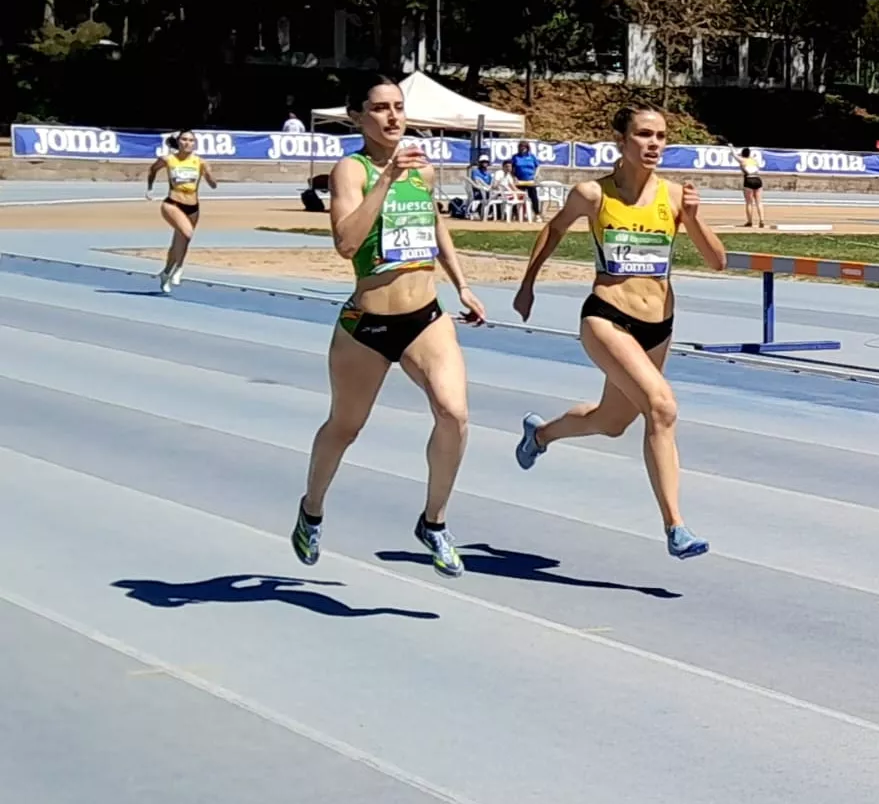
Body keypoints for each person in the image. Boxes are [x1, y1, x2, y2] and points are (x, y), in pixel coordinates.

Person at [511, 105, 728, 561]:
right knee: (662, 407)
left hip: (659, 326)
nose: (654, 144)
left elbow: (717, 261)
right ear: (621, 141)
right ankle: (676, 527)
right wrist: (527, 285)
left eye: (662, 136)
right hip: (607, 317)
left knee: (612, 424)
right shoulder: (593, 194)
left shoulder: (673, 197)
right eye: (644, 135)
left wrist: (694, 216)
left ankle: (541, 435)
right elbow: (552, 230)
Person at [292, 74, 486, 577]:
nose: (393, 117)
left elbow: (434, 223)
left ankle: (434, 522)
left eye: (399, 106)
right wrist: (384, 180)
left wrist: (462, 283)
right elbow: (346, 243)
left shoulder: (419, 170)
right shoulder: (350, 171)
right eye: (380, 108)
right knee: (346, 427)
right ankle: (311, 509)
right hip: (368, 325)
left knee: (455, 414)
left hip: (426, 316)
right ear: (358, 116)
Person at [144, 131, 216, 293]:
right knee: (187, 233)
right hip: (172, 204)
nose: (187, 143)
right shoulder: (168, 159)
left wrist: (209, 176)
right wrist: (150, 188)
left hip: (193, 207)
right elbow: (152, 170)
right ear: (178, 141)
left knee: (180, 242)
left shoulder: (200, 162)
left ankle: (166, 272)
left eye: (191, 140)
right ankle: (180, 268)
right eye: (184, 139)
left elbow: (213, 185)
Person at [510, 141, 542, 218]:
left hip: (530, 180)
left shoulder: (532, 156)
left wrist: (535, 175)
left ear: (527, 148)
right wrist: (514, 177)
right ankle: (515, 213)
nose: (523, 148)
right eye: (521, 147)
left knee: (534, 197)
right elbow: (511, 168)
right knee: (517, 197)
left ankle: (537, 214)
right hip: (519, 181)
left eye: (524, 147)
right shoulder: (515, 157)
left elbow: (538, 166)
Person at [738, 146, 765, 228]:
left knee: (749, 203)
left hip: (748, 179)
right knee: (759, 202)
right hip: (757, 179)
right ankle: (762, 220)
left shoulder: (742, 160)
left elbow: (735, 155)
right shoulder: (754, 160)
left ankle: (750, 221)